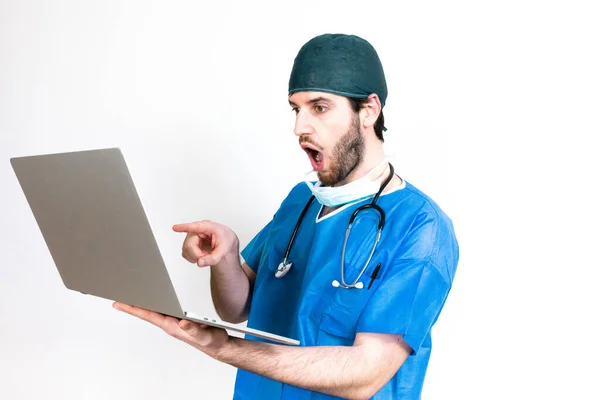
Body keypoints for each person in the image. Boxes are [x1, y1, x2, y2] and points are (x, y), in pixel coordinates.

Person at [113, 33, 460, 399]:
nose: (299, 128)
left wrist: (221, 347)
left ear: (368, 111)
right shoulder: (301, 201)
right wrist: (226, 257)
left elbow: (366, 374)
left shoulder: (422, 227)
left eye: (319, 107)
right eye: (296, 109)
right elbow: (237, 308)